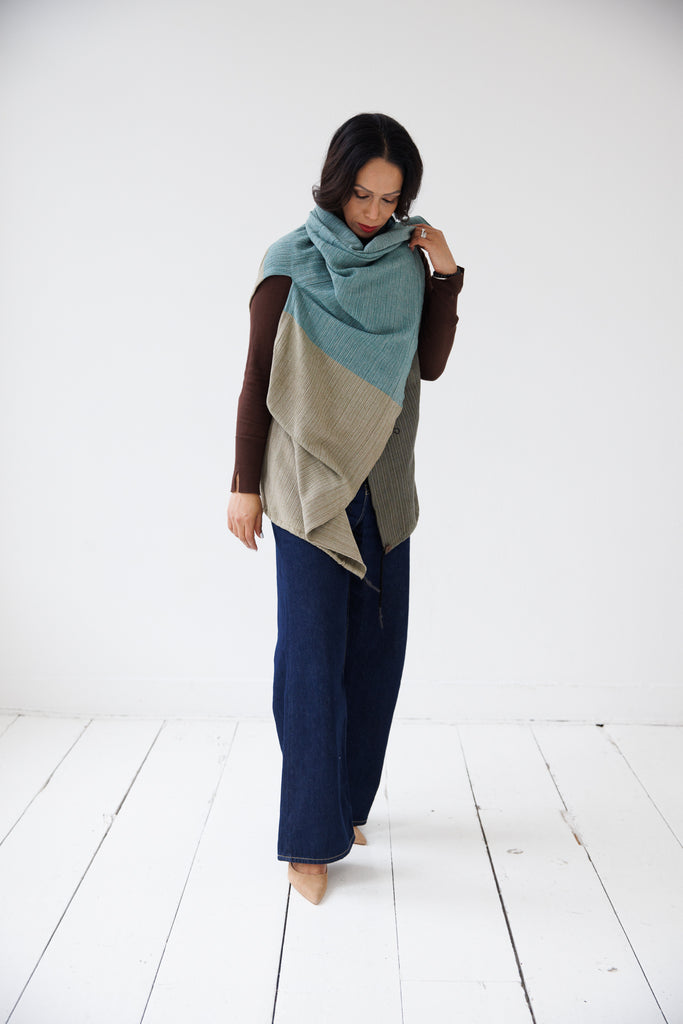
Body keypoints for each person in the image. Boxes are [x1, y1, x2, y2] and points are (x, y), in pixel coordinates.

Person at [227, 113, 464, 905]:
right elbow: (257, 374)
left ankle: (345, 806)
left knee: (374, 657)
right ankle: (309, 840)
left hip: (383, 483)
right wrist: (242, 483)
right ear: (336, 184)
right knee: (308, 662)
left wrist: (443, 274)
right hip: (302, 485)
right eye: (362, 194)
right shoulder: (289, 262)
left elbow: (428, 364)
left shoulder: (405, 266)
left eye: (389, 200)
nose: (372, 212)